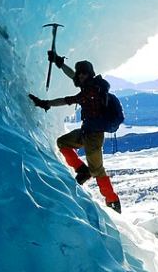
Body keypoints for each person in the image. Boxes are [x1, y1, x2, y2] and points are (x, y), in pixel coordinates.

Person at [29, 55, 122, 213]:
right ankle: (82, 170)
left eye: (83, 73)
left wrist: (46, 103)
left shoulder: (91, 91)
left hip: (94, 137)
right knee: (63, 142)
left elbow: (68, 100)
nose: (80, 76)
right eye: (80, 73)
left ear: (90, 74)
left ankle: (112, 201)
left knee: (98, 170)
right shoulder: (88, 85)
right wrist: (60, 64)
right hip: (86, 132)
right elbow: (73, 75)